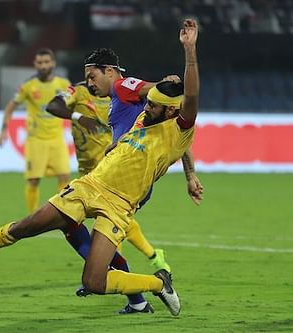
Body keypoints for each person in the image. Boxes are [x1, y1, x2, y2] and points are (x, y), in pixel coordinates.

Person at [0, 19, 200, 316]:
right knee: (27, 226)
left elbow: (187, 99)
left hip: (120, 204)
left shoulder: (174, 124)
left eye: (153, 105)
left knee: (94, 280)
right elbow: (139, 118)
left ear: (171, 110)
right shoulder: (143, 118)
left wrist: (189, 50)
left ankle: (157, 285)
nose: (146, 107)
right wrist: (119, 148)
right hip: (90, 184)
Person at [45, 76, 203, 313]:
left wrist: (190, 174)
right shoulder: (99, 97)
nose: (90, 80)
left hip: (125, 180)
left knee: (93, 229)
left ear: (109, 71)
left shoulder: (127, 91)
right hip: (97, 175)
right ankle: (132, 295)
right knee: (93, 230)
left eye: (93, 73)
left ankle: (135, 276)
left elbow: (179, 133)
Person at [0, 48, 71, 214]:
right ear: (35, 64)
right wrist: (3, 131)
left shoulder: (63, 84)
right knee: (33, 180)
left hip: (57, 139)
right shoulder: (28, 86)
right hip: (36, 140)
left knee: (65, 177)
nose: (43, 66)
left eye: (46, 62)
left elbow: (75, 104)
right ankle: (33, 216)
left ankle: (64, 214)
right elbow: (10, 107)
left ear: (53, 63)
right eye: (40, 62)